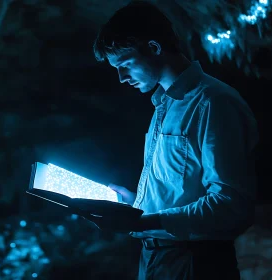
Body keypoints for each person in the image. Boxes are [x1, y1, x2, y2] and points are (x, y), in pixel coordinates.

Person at [83, 1, 259, 279]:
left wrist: (144, 221)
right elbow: (180, 187)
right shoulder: (163, 105)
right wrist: (137, 206)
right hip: (157, 257)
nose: (121, 78)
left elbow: (230, 204)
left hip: (194, 261)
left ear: (154, 47)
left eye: (126, 64)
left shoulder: (213, 103)